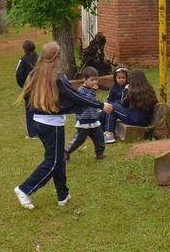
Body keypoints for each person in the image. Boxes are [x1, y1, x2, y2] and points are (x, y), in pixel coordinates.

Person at [14, 42, 113, 210]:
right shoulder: (57, 77)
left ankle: (63, 194)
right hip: (51, 125)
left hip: (39, 122)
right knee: (53, 161)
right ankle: (25, 189)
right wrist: (100, 105)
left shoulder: (35, 74)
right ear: (56, 57)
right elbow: (76, 97)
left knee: (58, 158)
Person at [100, 68, 158, 143]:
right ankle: (103, 129)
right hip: (146, 121)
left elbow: (123, 103)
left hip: (134, 119)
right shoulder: (149, 89)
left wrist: (126, 90)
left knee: (111, 106)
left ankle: (109, 134)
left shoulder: (133, 90)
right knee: (112, 106)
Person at [65, 67, 106, 160]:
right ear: (84, 80)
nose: (95, 82)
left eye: (96, 79)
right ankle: (66, 151)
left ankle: (99, 154)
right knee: (79, 140)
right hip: (84, 121)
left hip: (94, 119)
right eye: (92, 80)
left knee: (99, 137)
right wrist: (93, 91)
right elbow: (88, 100)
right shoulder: (81, 90)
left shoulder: (91, 90)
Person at [15, 40, 38, 138]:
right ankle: (41, 130)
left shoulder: (22, 60)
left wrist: (23, 86)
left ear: (24, 49)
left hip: (28, 88)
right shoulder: (40, 58)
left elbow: (18, 74)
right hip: (40, 86)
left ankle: (32, 134)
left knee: (30, 109)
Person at [103, 66, 129, 143]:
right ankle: (101, 130)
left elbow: (125, 101)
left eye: (123, 77)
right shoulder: (113, 88)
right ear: (115, 78)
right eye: (119, 77)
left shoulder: (127, 87)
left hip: (123, 108)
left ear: (126, 78)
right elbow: (109, 100)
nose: (121, 79)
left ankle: (109, 133)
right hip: (113, 105)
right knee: (102, 113)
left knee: (111, 109)